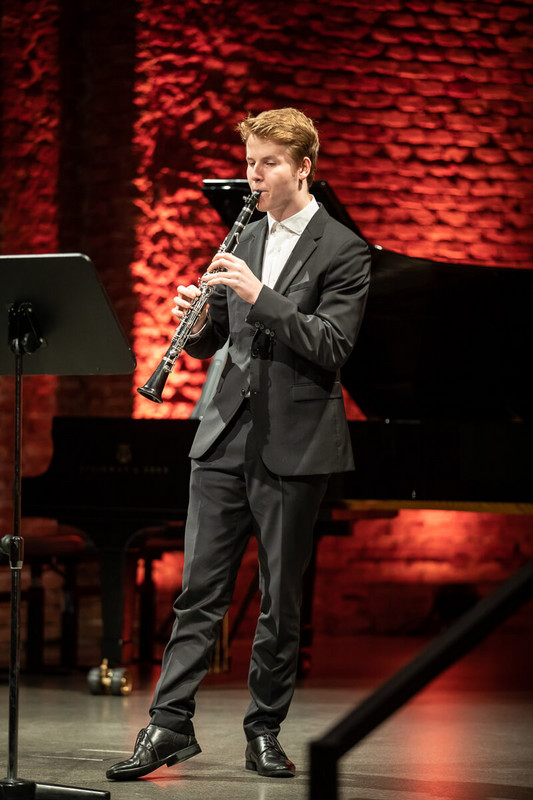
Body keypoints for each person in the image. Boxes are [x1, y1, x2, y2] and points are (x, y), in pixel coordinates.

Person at [106, 107, 371, 781]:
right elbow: (219, 334)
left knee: (281, 598)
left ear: (304, 166)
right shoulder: (244, 233)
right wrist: (193, 320)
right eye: (250, 161)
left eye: (269, 163)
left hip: (297, 440)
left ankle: (264, 729)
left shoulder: (344, 249)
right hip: (223, 433)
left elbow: (332, 345)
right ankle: (168, 726)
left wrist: (262, 296)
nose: (253, 175)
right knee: (199, 590)